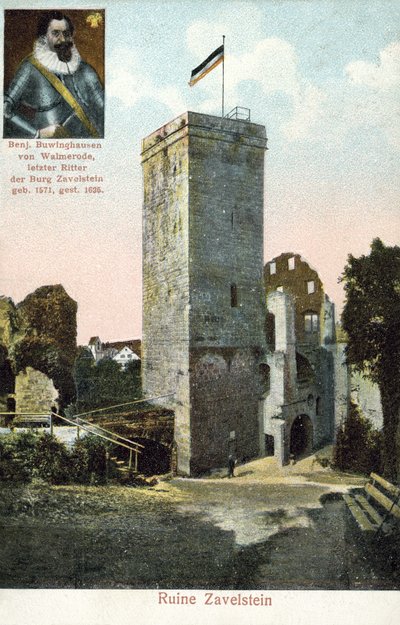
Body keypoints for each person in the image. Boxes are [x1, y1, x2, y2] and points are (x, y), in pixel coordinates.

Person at [4, 11, 104, 139]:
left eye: (66, 34)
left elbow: (105, 113)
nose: (62, 39)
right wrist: (37, 134)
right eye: (55, 33)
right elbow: (4, 109)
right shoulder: (30, 67)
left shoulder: (85, 70)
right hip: (48, 148)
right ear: (44, 37)